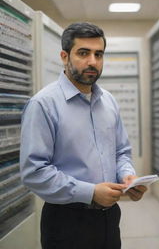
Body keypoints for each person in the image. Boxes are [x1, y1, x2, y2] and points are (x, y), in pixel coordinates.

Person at [19, 22, 147, 249]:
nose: (92, 62)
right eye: (83, 53)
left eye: (99, 54)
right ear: (64, 56)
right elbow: (34, 172)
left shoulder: (108, 101)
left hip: (109, 218)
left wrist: (128, 177)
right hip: (66, 222)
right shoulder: (43, 105)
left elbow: (121, 151)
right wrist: (90, 192)